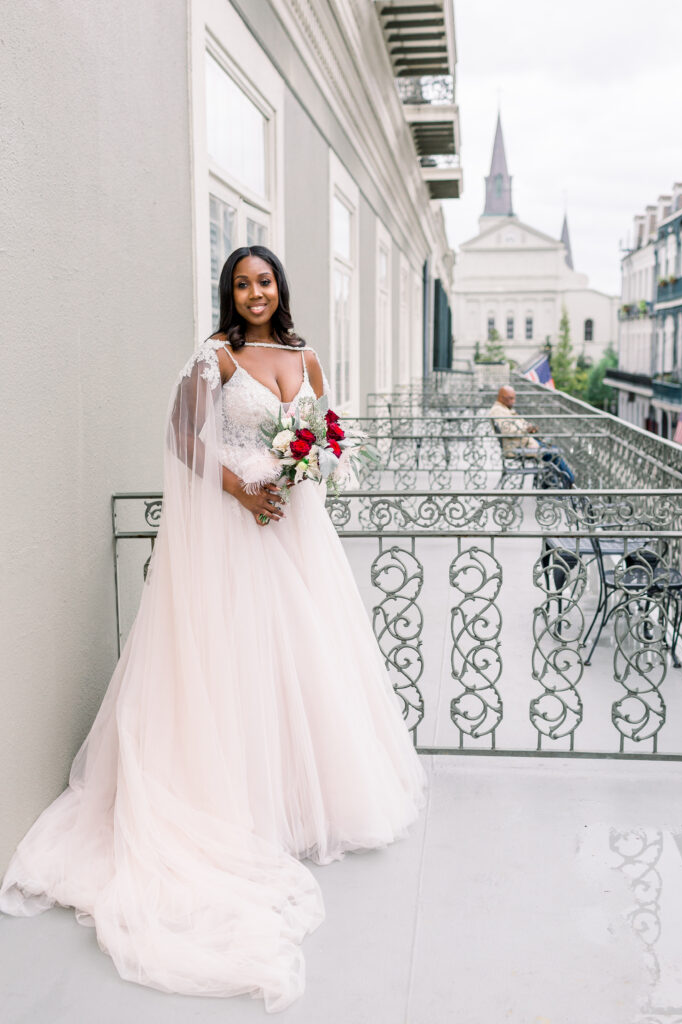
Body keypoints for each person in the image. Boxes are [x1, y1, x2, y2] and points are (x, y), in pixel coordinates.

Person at [0, 246, 427, 1012]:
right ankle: (233, 805)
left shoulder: (303, 355)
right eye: (241, 283)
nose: (254, 292)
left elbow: (325, 430)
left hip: (296, 534)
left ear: (280, 289)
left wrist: (314, 463)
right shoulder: (215, 357)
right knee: (234, 660)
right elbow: (180, 439)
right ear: (228, 293)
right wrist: (240, 491)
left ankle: (300, 800)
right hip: (236, 536)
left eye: (264, 281)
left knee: (302, 663)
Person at [488, 384, 575, 487]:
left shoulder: (504, 409)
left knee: (553, 451)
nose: (513, 401)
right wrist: (526, 429)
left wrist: (529, 427)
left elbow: (515, 426)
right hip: (517, 447)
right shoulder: (498, 411)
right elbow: (507, 431)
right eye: (510, 398)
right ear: (501, 398)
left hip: (523, 444)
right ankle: (570, 484)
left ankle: (551, 485)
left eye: (514, 398)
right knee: (555, 453)